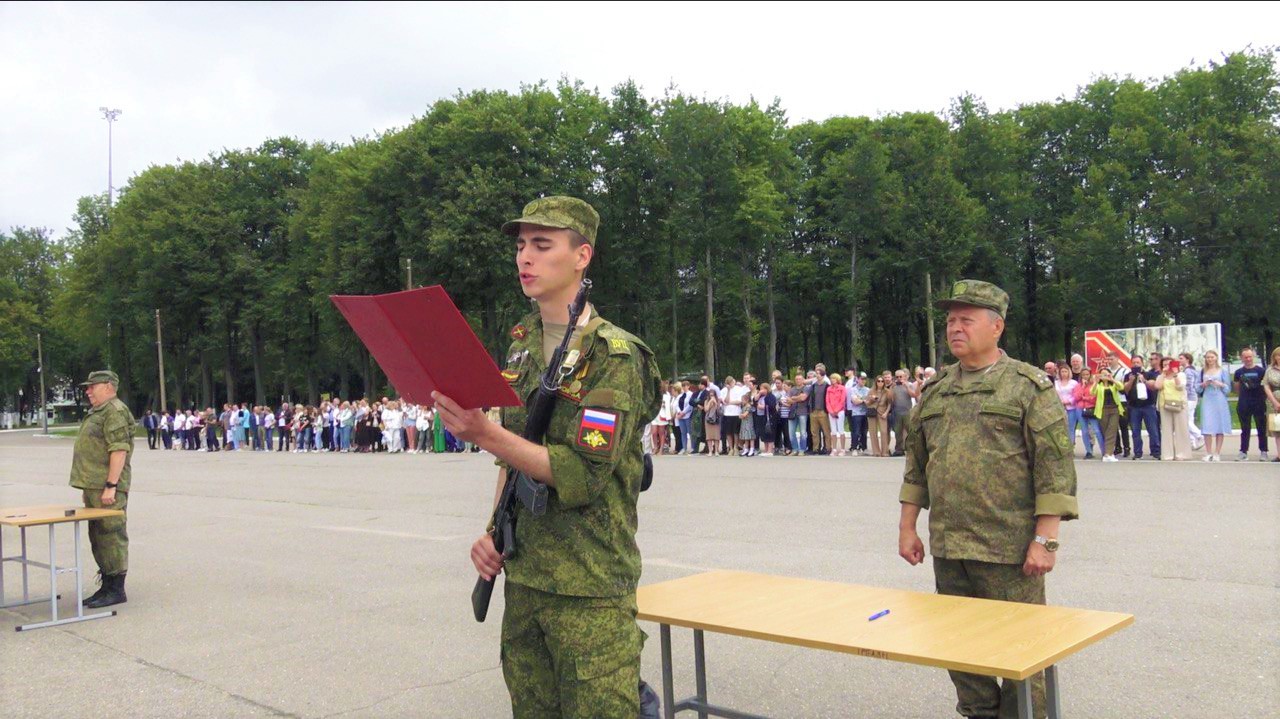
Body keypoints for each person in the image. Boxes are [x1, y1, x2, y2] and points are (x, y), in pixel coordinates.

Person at [435, 196, 662, 717]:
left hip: (589, 585)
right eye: (520, 246)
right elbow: (511, 458)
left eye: (542, 245)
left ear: (582, 256)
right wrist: (492, 530)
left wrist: (484, 432)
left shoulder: (615, 356)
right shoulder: (521, 344)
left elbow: (582, 473)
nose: (524, 259)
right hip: (526, 574)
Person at [898, 280, 1078, 719]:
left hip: (1009, 550)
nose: (955, 329)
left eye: (966, 320)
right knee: (959, 648)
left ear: (996, 327)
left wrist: (1046, 540)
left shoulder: (1026, 387)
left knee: (1022, 652)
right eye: (950, 321)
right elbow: (917, 465)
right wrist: (907, 527)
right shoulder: (937, 390)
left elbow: (1054, 469)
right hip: (949, 547)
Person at [69, 370, 135, 609]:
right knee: (98, 535)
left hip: (108, 487)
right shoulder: (100, 411)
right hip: (95, 486)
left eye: (92, 386)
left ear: (108, 386)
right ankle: (106, 585)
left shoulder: (115, 411)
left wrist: (111, 486)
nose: (88, 391)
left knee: (111, 533)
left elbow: (119, 450)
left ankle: (116, 588)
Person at [1234, 348, 1270, 461]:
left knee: (1261, 428)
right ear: (1241, 358)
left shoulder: (1261, 371)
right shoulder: (1238, 372)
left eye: (1250, 356)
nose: (1248, 359)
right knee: (1245, 428)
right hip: (1244, 403)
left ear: (1253, 357)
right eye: (1245, 357)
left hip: (1259, 403)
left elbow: (1266, 387)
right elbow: (1236, 388)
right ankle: (1243, 451)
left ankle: (1264, 451)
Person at [1123, 354, 1160, 460]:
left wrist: (1143, 380)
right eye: (1133, 363)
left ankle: (1156, 451)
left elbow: (1153, 387)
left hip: (1148, 405)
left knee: (1152, 430)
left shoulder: (1149, 374)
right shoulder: (1128, 375)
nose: (1135, 365)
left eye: (1137, 363)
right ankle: (1138, 452)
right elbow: (1125, 390)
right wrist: (1131, 380)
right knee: (1135, 431)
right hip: (1134, 406)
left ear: (1142, 363)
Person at [1155, 358, 1192, 461]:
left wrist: (1175, 374)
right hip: (1164, 404)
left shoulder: (1181, 375)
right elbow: (1157, 386)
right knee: (1166, 430)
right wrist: (1163, 374)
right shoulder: (1161, 376)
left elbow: (1180, 387)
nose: (1167, 366)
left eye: (1168, 364)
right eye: (1164, 364)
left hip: (1179, 404)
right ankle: (1168, 454)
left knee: (1181, 429)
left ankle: (1182, 454)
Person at [1197, 350, 1231, 462]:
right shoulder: (1202, 371)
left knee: (1219, 425)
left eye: (1212, 357)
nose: (1210, 359)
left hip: (1219, 399)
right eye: (1207, 357)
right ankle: (1208, 452)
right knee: (1207, 425)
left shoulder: (1222, 371)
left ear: (1216, 358)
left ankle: (1217, 452)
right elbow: (1197, 388)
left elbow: (1228, 389)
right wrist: (1204, 384)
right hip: (1207, 399)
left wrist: (1220, 384)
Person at [1092, 368, 1126, 462]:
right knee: (1105, 431)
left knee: (1112, 430)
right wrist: (1096, 381)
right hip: (1103, 410)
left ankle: (1109, 454)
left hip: (1114, 409)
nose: (1105, 376)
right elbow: (1092, 392)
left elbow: (1121, 387)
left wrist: (1113, 380)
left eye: (1106, 374)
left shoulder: (1113, 385)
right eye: (1102, 374)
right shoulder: (1099, 386)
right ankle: (1106, 453)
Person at [1105, 352, 1132, 458]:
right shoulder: (1106, 371)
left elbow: (1124, 386)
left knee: (1123, 425)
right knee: (1112, 426)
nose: (1110, 361)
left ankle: (1127, 447)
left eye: (1112, 359)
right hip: (1110, 401)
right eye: (1109, 359)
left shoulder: (1125, 371)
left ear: (1117, 359)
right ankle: (1117, 447)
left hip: (1121, 400)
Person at [1073, 368, 1103, 460]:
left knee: (1096, 430)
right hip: (1080, 409)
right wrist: (1082, 388)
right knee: (1085, 431)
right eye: (1083, 375)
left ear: (1090, 375)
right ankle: (1089, 451)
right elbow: (1076, 397)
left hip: (1090, 408)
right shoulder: (1078, 386)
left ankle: (1104, 451)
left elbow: (1094, 398)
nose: (1085, 377)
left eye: (1087, 374)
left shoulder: (1093, 385)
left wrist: (1085, 398)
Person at [1178, 352, 1205, 451]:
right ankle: (1192, 442)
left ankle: (1199, 435)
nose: (1179, 360)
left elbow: (1188, 386)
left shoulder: (1188, 371)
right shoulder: (1191, 370)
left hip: (1189, 397)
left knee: (1185, 420)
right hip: (1192, 397)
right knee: (1189, 419)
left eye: (1181, 358)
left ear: (1187, 360)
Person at [1054, 366, 1081, 455]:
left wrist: (1069, 401)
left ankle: (1071, 447)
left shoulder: (1074, 383)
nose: (1064, 373)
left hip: (1071, 408)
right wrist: (1060, 402)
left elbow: (1077, 395)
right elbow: (1054, 394)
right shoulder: (1056, 383)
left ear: (1069, 372)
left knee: (1070, 428)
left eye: (1066, 371)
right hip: (1059, 407)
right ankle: (1062, 448)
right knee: (1061, 428)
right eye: (1062, 371)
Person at [889, 369, 913, 456]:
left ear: (904, 376)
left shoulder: (909, 385)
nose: (899, 378)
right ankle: (899, 449)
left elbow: (913, 395)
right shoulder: (894, 387)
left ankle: (911, 449)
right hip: (897, 412)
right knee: (898, 432)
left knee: (910, 431)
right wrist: (891, 387)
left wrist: (906, 386)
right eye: (897, 377)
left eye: (901, 376)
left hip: (907, 411)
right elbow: (890, 398)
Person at [866, 376, 892, 458]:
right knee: (873, 432)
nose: (880, 383)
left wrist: (886, 413)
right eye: (878, 381)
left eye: (882, 381)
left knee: (884, 432)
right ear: (876, 382)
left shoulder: (887, 392)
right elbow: (867, 403)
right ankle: (876, 451)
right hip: (873, 411)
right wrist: (872, 399)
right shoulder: (871, 391)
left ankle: (885, 451)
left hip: (882, 412)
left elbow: (890, 404)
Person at [826, 372, 848, 456]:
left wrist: (836, 410)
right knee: (833, 431)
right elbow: (827, 401)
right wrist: (831, 411)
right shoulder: (829, 389)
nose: (832, 380)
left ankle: (842, 449)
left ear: (838, 379)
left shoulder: (842, 388)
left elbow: (842, 401)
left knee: (841, 430)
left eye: (834, 378)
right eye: (831, 378)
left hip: (840, 411)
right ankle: (834, 449)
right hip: (831, 412)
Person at [1264, 347, 1280, 462]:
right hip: (1273, 401)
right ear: (1274, 357)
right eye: (1278, 355)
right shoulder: (1269, 370)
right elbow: (1266, 385)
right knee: (1277, 430)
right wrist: (1274, 402)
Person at [788, 375, 810, 455]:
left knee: (803, 432)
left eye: (800, 379)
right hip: (792, 412)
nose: (798, 380)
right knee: (791, 432)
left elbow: (803, 398)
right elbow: (788, 401)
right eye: (796, 379)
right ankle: (795, 449)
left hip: (803, 412)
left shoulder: (806, 388)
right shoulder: (792, 389)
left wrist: (794, 398)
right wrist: (798, 398)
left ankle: (802, 449)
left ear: (803, 380)